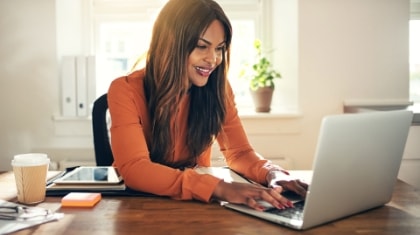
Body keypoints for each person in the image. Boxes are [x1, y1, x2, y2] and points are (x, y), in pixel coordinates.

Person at [107, 0, 308, 211]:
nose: (213, 59)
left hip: (197, 205)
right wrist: (219, 188)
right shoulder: (125, 89)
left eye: (219, 48)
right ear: (170, 42)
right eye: (202, 46)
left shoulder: (219, 89)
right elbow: (135, 169)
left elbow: (239, 153)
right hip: (138, 206)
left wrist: (271, 173)